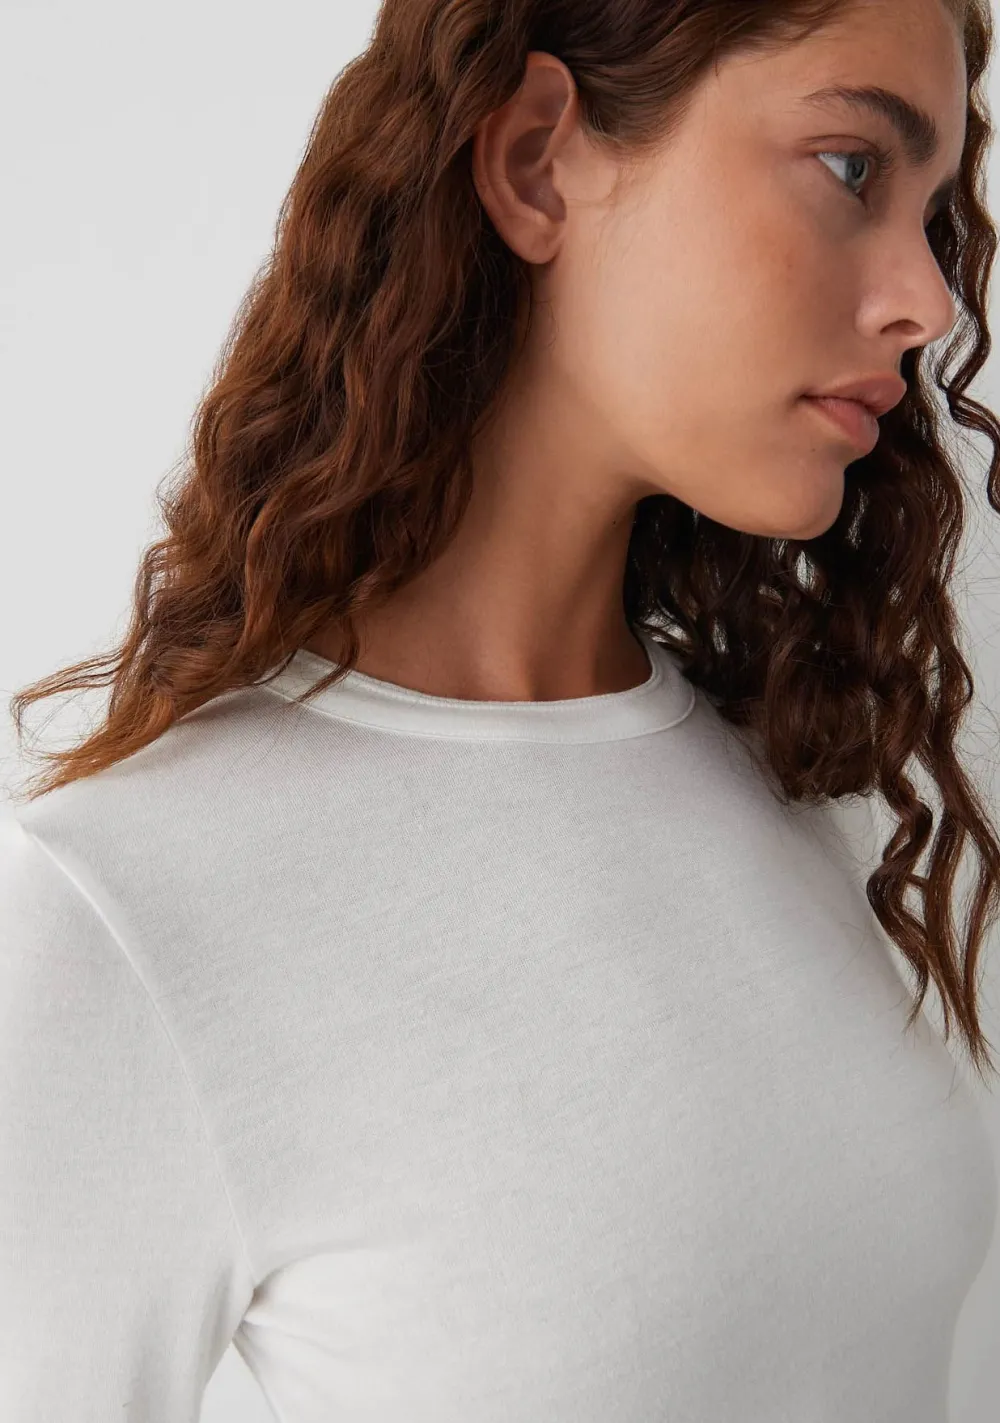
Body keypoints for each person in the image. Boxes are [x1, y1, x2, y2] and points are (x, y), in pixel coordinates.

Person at [3, 0, 999, 1419]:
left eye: (934, 212)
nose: (930, 299)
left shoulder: (817, 776)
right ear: (537, 160)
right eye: (851, 169)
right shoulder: (129, 912)